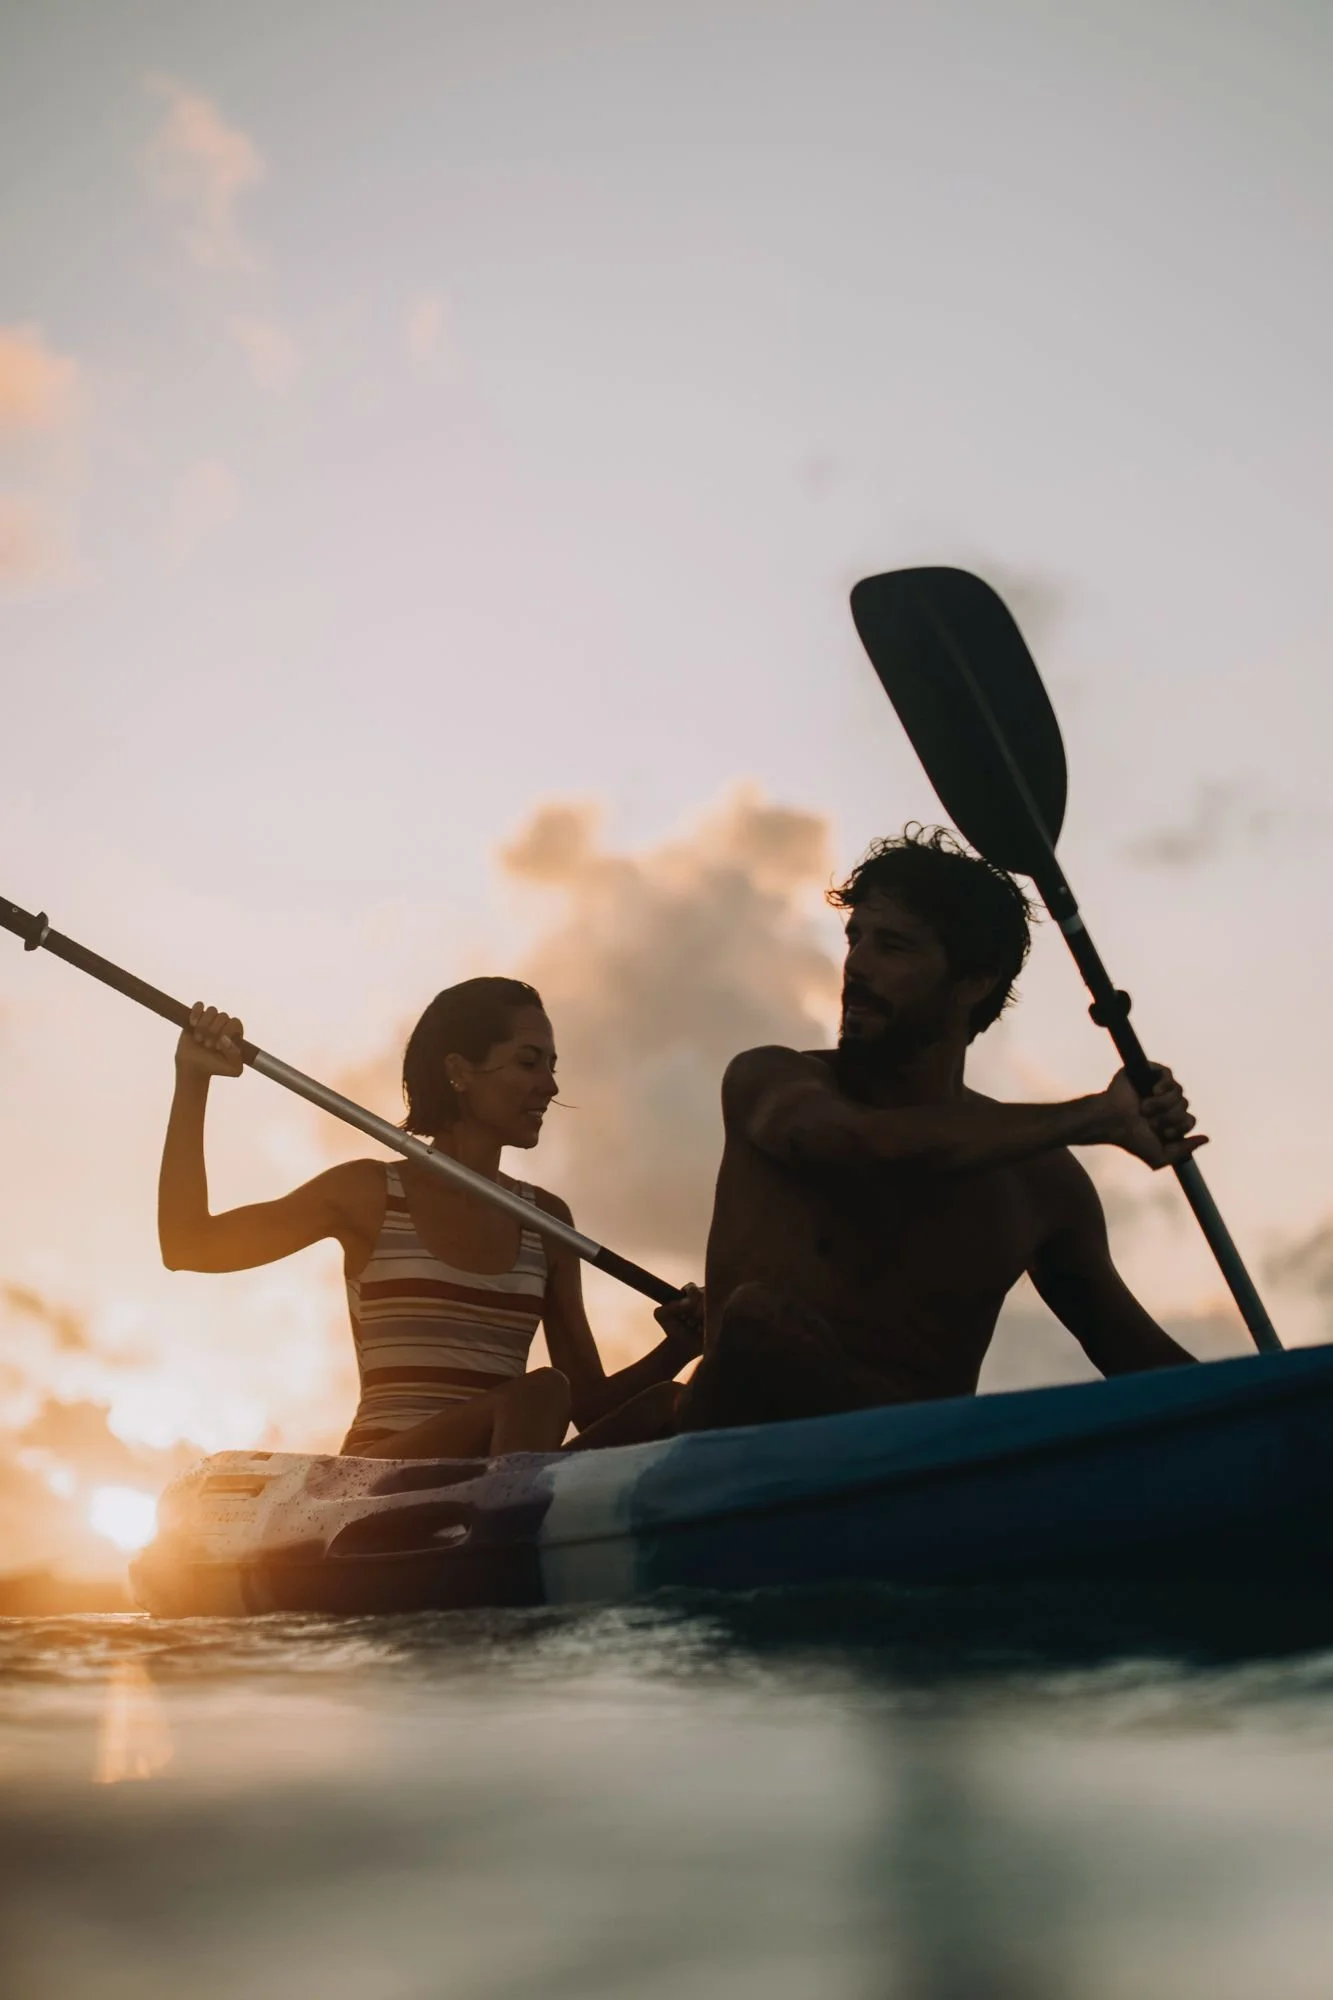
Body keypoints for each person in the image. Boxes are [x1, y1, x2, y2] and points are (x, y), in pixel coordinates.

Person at [679, 827, 1200, 1431]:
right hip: (732, 1474)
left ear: (973, 981)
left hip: (909, 1495)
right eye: (855, 938)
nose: (857, 965)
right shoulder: (770, 1081)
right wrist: (1095, 1116)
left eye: (893, 946)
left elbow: (1138, 1359)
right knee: (757, 1322)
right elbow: (860, 1144)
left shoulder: (1041, 1183)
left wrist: (1287, 1406)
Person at [158, 976, 703, 1456]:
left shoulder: (548, 1223)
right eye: (529, 1062)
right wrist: (194, 1079)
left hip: (507, 1470)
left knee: (669, 1405)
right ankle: (505, 1537)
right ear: (459, 1072)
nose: (551, 1086)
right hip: (382, 1481)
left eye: (552, 1067)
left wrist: (676, 1349)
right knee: (542, 1391)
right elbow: (188, 1245)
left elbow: (588, 1407)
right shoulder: (369, 1193)